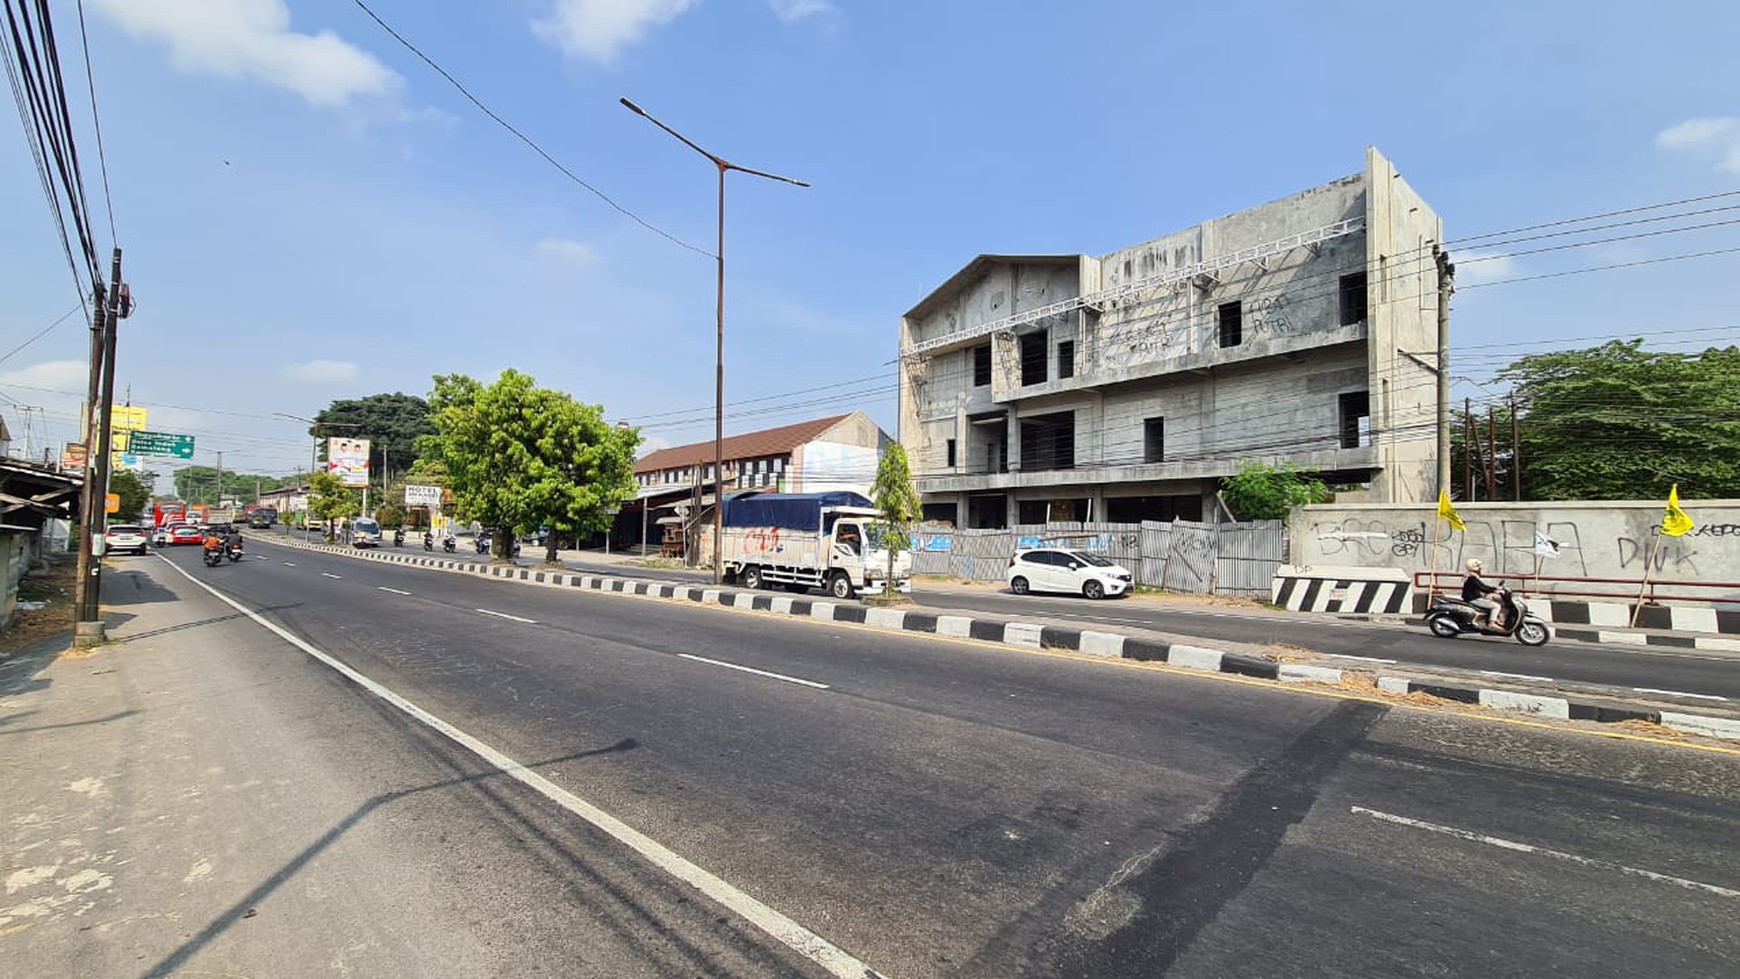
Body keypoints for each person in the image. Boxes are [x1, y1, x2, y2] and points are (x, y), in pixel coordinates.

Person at [1462, 558, 1505, 630]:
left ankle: (1493, 619)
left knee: (1491, 599)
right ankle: (1492, 623)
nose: (1481, 569)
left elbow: (1483, 587)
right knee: (1496, 606)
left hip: (1475, 597)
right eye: (1480, 568)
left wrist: (1495, 589)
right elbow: (1482, 587)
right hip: (1473, 599)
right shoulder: (1472, 578)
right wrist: (1495, 590)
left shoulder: (1472, 577)